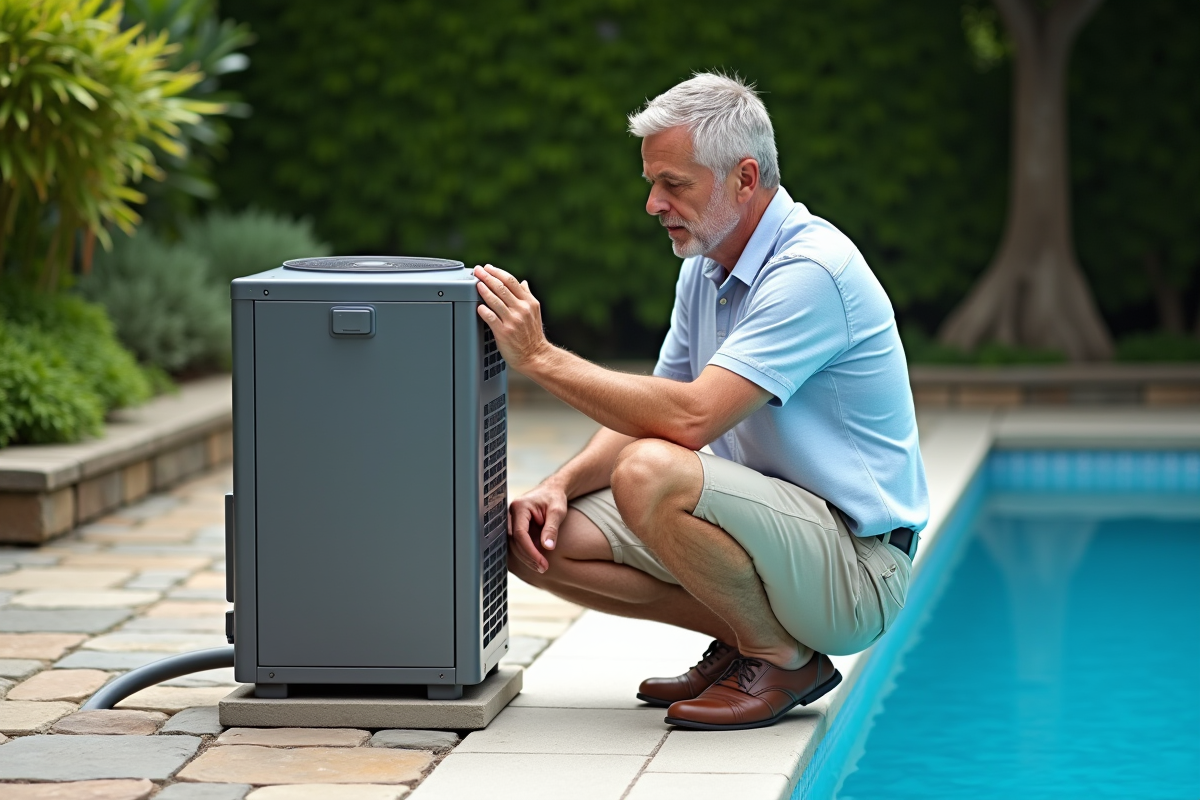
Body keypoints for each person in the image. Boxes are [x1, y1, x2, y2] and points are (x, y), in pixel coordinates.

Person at [472, 72, 929, 731]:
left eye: (674, 184)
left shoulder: (810, 272)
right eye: (652, 183)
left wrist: (541, 358)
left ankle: (780, 658)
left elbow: (690, 418)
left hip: (857, 571)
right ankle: (753, 642)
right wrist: (558, 486)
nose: (654, 203)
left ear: (745, 179)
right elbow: (645, 419)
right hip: (780, 541)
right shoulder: (704, 268)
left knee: (651, 473)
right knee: (536, 538)